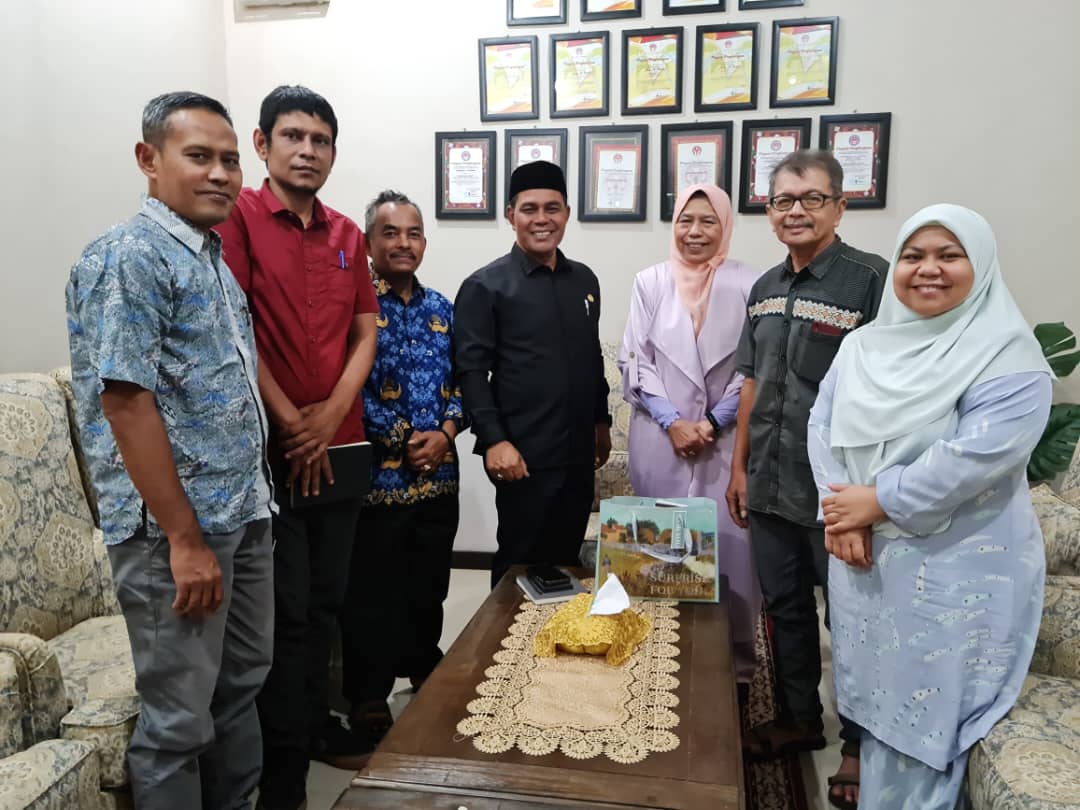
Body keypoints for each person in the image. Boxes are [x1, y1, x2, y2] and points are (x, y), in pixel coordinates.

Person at [65, 91, 273, 810]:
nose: (220, 174)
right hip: (174, 533)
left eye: (229, 160)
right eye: (199, 157)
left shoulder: (207, 254)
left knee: (241, 686)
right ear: (149, 160)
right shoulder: (131, 256)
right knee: (178, 721)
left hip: (243, 512)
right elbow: (125, 400)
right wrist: (185, 540)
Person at [807, 204, 1051, 809]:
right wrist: (841, 510)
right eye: (914, 256)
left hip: (953, 569)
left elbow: (974, 459)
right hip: (864, 561)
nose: (928, 270)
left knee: (931, 713)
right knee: (878, 697)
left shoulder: (1010, 358)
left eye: (949, 255)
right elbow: (821, 424)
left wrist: (875, 503)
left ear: (982, 265)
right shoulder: (865, 346)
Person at [214, 85, 378, 809]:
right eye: (294, 137)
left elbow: (365, 331)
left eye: (320, 140)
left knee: (329, 601)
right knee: (282, 612)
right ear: (262, 144)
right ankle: (282, 771)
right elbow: (236, 326)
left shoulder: (348, 233)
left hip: (338, 446)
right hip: (272, 453)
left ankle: (315, 724)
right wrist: (291, 423)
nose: (307, 150)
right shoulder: (238, 218)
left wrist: (331, 414)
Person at [727, 150, 886, 799]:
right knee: (784, 613)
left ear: (839, 206)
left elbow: (894, 391)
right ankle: (797, 721)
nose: (796, 210)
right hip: (767, 482)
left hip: (836, 492)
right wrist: (737, 468)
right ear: (769, 213)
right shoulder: (764, 288)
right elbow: (750, 385)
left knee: (849, 620)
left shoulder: (870, 281)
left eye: (811, 198)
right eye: (783, 200)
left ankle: (858, 742)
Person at [618, 183, 761, 681]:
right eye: (686, 220)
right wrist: (674, 422)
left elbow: (753, 369)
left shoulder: (750, 283)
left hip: (724, 443)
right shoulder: (650, 281)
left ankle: (736, 670)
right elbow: (636, 361)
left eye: (708, 222)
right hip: (662, 442)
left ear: (725, 227)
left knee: (732, 556)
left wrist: (710, 422)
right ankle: (658, 659)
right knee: (660, 554)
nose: (695, 231)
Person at [338, 190, 464, 745]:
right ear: (369, 242)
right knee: (372, 590)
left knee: (428, 583)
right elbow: (346, 388)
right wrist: (403, 436)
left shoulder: (442, 307)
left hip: (440, 475)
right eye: (390, 233)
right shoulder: (353, 306)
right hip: (378, 480)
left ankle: (421, 663)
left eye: (413, 233)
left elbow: (464, 379)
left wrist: (447, 432)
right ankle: (367, 692)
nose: (403, 243)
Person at [454, 160, 612, 588]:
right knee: (519, 568)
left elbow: (591, 359)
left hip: (578, 454)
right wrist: (494, 441)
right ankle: (501, 654)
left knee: (565, 567)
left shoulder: (585, 281)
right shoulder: (485, 286)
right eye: (529, 209)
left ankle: (560, 651)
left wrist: (602, 423)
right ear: (511, 216)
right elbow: (470, 372)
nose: (542, 219)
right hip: (522, 456)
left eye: (552, 207)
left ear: (567, 212)